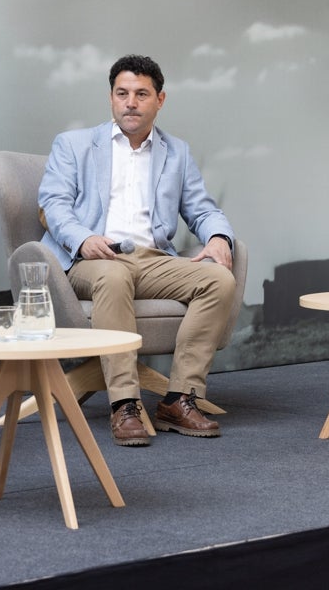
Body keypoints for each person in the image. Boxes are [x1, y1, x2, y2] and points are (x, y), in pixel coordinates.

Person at [39, 54, 237, 447]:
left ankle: (180, 398)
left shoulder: (176, 152)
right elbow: (53, 204)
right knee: (114, 275)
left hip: (150, 258)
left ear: (159, 100)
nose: (131, 102)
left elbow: (202, 208)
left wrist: (218, 237)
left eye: (141, 94)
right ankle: (125, 404)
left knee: (218, 278)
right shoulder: (74, 144)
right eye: (122, 93)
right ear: (111, 98)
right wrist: (83, 238)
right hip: (91, 259)